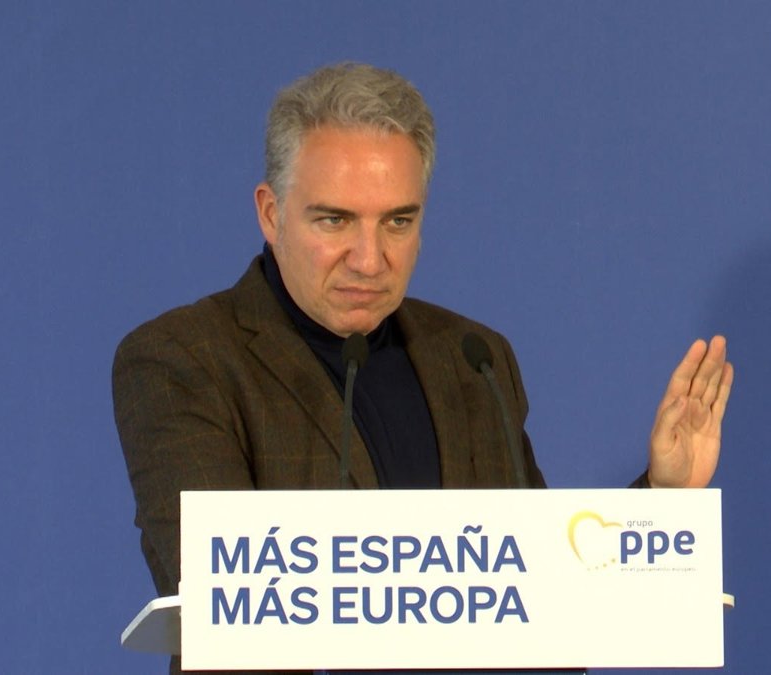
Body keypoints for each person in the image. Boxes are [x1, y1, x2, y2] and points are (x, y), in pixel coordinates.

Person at [112, 63, 733, 670]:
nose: (369, 259)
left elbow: (541, 593)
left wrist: (664, 501)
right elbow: (223, 606)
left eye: (397, 222)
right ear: (271, 213)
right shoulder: (183, 360)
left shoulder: (473, 358)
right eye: (335, 220)